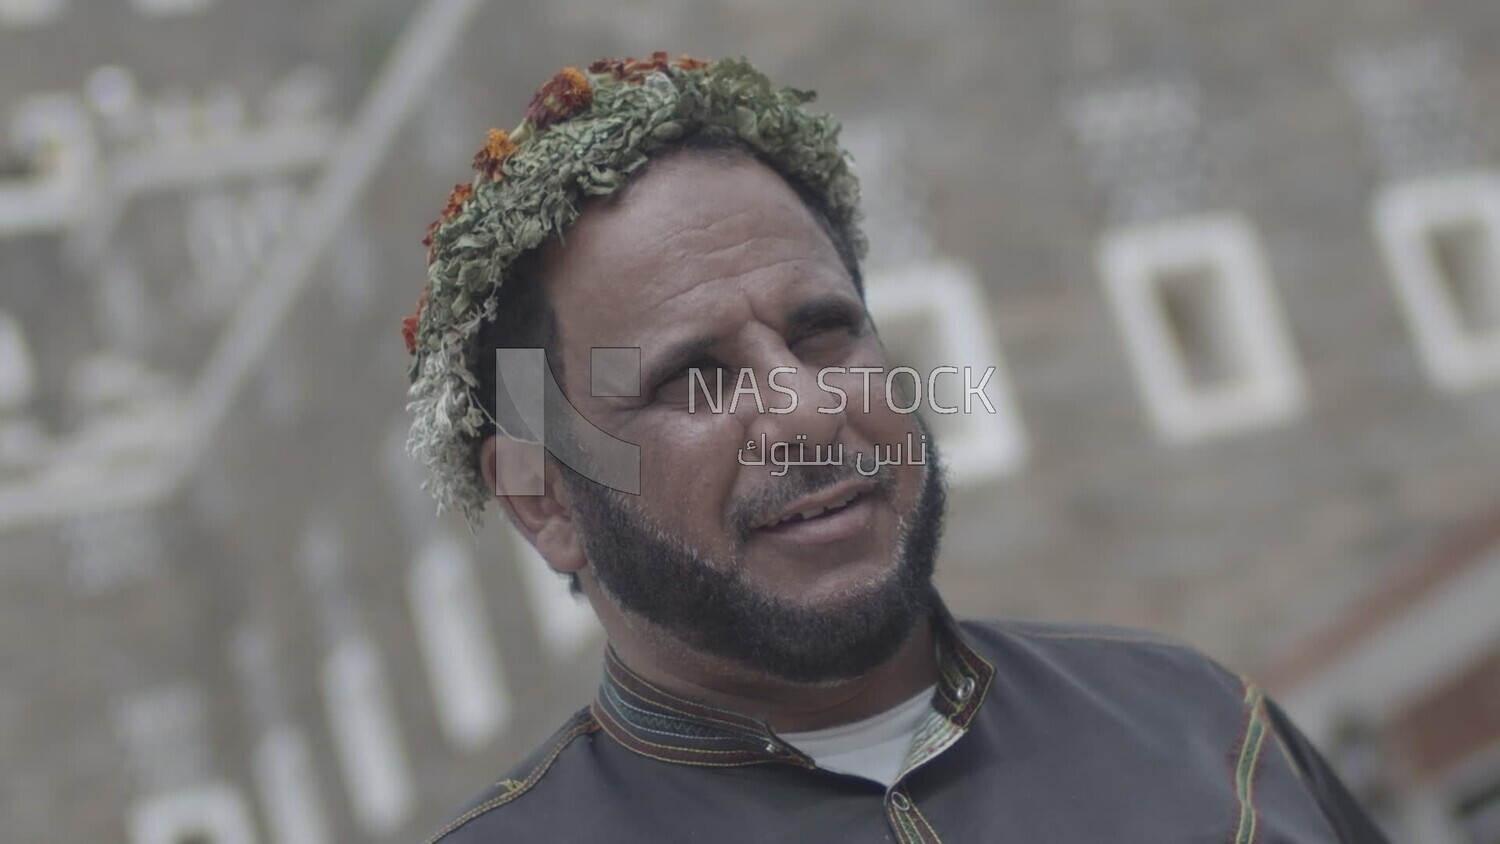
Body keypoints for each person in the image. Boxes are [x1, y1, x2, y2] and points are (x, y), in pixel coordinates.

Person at [402, 53, 1390, 843]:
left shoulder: (1201, 727)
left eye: (825, 330)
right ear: (543, 500)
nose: (806, 410)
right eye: (691, 379)